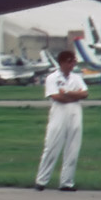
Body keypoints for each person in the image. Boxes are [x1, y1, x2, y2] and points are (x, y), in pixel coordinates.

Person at [35, 50, 87, 191]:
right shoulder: (52, 78)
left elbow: (85, 93)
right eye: (70, 61)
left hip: (75, 112)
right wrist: (74, 96)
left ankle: (67, 182)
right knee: (52, 146)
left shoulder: (76, 77)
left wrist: (69, 93)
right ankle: (41, 180)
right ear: (63, 62)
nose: (73, 64)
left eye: (74, 61)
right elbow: (56, 97)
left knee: (73, 147)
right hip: (59, 112)